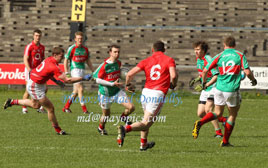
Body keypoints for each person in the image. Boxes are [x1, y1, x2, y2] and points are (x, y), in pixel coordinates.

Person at [3, 47, 92, 135]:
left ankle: (12, 102)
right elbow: (67, 80)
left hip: (37, 83)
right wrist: (83, 78)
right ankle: (58, 130)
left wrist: (57, 82)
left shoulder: (49, 60)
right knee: (50, 108)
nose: (62, 58)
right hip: (35, 85)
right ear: (55, 55)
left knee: (35, 105)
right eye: (61, 56)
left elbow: (49, 73)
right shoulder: (53, 66)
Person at [192, 36, 257, 147]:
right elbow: (247, 72)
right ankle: (225, 141)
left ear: (224, 45)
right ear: (234, 45)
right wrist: (253, 80)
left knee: (217, 113)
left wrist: (204, 84)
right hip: (231, 90)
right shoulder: (239, 55)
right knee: (232, 114)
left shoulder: (219, 55)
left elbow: (205, 70)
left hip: (218, 89)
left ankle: (200, 122)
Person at [117, 41, 178, 151]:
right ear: (164, 50)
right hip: (157, 94)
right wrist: (173, 85)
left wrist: (127, 85)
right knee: (145, 123)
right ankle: (125, 129)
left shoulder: (146, 60)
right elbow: (173, 75)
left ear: (152, 50)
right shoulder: (169, 59)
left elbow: (130, 74)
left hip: (145, 93)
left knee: (145, 119)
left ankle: (143, 144)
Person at [92, 44, 135, 135]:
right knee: (106, 115)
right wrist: (112, 84)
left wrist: (127, 85)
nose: (117, 54)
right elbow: (97, 79)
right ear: (110, 53)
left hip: (117, 92)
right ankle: (101, 128)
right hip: (105, 94)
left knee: (131, 107)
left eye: (118, 52)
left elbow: (118, 75)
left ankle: (123, 117)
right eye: (115, 52)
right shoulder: (104, 65)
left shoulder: (118, 63)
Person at [190, 41, 223, 138]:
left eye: (198, 49)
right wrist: (197, 79)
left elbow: (216, 75)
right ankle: (222, 120)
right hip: (206, 87)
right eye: (195, 49)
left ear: (203, 51)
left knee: (208, 109)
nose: (196, 51)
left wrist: (206, 84)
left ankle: (219, 133)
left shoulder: (208, 59)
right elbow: (203, 73)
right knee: (200, 113)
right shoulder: (198, 59)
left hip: (214, 87)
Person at [62, 31, 94, 114]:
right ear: (75, 39)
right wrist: (66, 72)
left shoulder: (85, 49)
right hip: (74, 70)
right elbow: (65, 60)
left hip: (82, 70)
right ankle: (84, 109)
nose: (80, 40)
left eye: (81, 39)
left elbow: (88, 61)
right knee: (80, 88)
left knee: (76, 92)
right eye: (78, 38)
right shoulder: (71, 48)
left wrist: (94, 71)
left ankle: (66, 107)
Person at [22, 29, 46, 114]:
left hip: (38, 71)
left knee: (44, 89)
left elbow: (42, 59)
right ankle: (24, 108)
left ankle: (41, 107)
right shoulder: (29, 46)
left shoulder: (42, 47)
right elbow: (25, 59)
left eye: (39, 36)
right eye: (36, 35)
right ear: (33, 36)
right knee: (28, 90)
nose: (37, 37)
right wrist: (29, 70)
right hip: (30, 70)